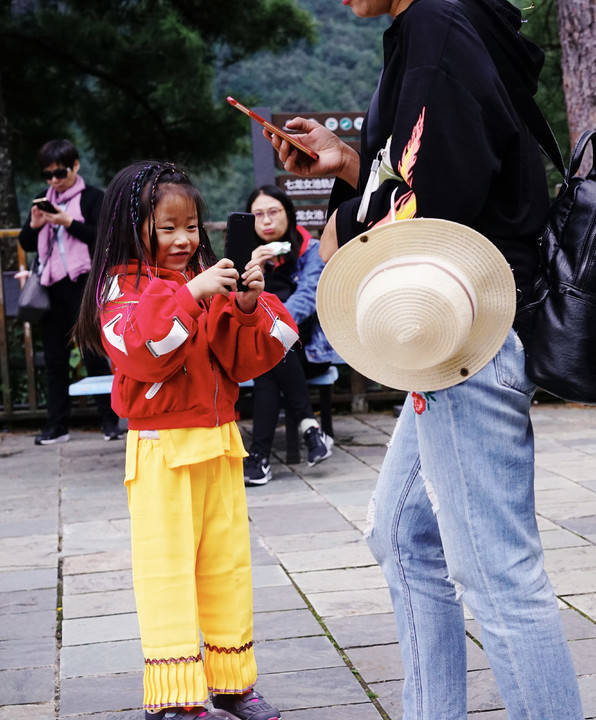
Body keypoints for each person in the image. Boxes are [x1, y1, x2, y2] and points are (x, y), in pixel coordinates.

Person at [266, 0, 584, 717]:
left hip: (469, 334)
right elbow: (424, 168)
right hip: (458, 330)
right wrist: (349, 163)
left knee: (497, 573)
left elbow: (433, 203)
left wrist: (341, 227)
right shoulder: (439, 26)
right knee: (404, 532)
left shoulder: (438, 29)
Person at [73, 162, 296, 720]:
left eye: (192, 226)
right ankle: (174, 698)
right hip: (162, 449)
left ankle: (232, 683)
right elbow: (144, 354)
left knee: (228, 566)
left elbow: (248, 357)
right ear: (133, 227)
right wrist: (191, 292)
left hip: (220, 442)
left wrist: (245, 305)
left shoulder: (207, 277)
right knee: (166, 569)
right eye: (167, 227)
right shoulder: (122, 288)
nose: (184, 239)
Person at [17, 139, 121, 444]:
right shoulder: (42, 199)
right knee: (54, 358)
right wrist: (36, 225)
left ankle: (109, 420)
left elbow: (103, 238)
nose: (54, 180)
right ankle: (57, 425)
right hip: (51, 286)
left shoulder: (92, 198)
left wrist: (67, 222)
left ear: (75, 165)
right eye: (47, 174)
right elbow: (25, 243)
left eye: (60, 172)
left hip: (85, 282)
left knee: (93, 351)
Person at [241, 185, 338, 485]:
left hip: (310, 351)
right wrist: (253, 266)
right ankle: (310, 428)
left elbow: (308, 298)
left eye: (274, 212)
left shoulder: (312, 250)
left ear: (289, 214)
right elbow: (234, 308)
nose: (267, 220)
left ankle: (259, 459)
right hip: (267, 353)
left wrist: (272, 325)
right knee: (271, 356)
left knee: (272, 352)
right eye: (258, 214)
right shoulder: (245, 255)